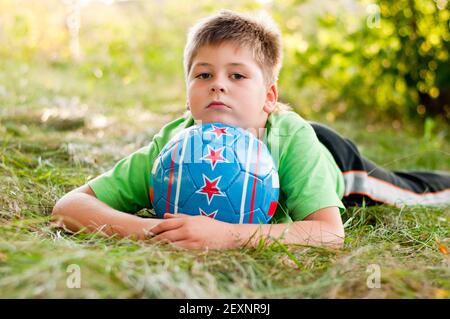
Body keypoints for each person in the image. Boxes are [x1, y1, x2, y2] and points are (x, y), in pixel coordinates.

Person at [52, 10, 450, 250]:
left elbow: (329, 235)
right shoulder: (172, 148)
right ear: (187, 92)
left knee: (412, 193)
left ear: (268, 96)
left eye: (238, 75)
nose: (218, 84)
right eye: (203, 74)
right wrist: (155, 233)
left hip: (336, 160)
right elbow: (70, 206)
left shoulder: (292, 140)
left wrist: (225, 236)